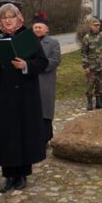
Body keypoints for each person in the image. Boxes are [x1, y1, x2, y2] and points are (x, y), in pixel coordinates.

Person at [0, 3, 48, 191]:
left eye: (11, 16)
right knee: (6, 136)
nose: (8, 20)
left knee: (23, 134)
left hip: (25, 96)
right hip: (3, 96)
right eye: (4, 17)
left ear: (19, 18)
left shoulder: (28, 36)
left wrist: (26, 65)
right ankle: (8, 176)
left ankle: (22, 175)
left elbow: (42, 62)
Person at [32, 15, 61, 143]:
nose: (37, 29)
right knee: (32, 112)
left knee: (45, 111)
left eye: (40, 27)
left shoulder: (53, 43)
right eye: (35, 27)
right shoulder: (29, 42)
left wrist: (36, 65)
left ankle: (45, 138)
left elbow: (55, 61)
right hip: (30, 80)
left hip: (45, 81)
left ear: (46, 29)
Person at [81, 18, 102, 110]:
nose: (97, 27)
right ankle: (89, 103)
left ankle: (99, 103)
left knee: (100, 86)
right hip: (91, 67)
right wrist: (86, 66)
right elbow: (83, 53)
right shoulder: (87, 37)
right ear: (91, 26)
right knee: (90, 86)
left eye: (98, 25)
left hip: (101, 67)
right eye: (95, 25)